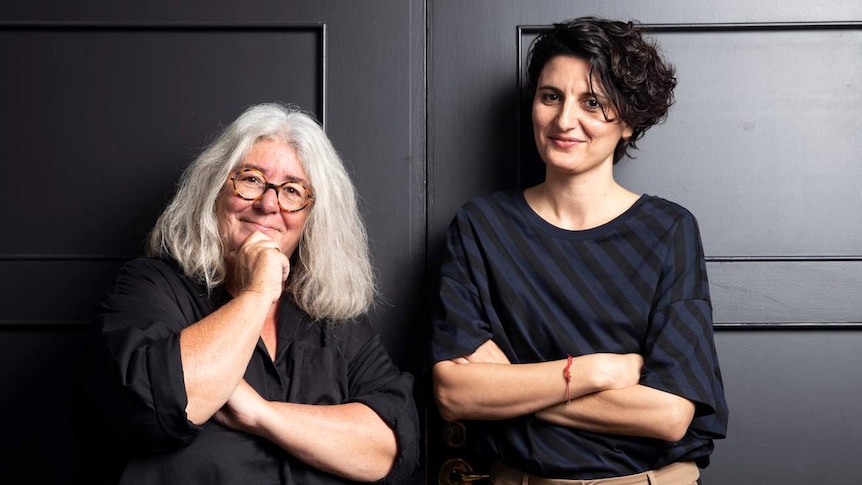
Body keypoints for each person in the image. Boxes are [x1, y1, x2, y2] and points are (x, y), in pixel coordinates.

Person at [430, 17, 728, 485]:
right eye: (551, 96)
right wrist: (599, 370)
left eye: (592, 102)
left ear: (628, 121)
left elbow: (668, 414)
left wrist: (514, 388)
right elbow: (454, 394)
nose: (564, 120)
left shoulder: (669, 230)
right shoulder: (481, 227)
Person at [80, 102, 420, 484]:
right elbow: (158, 406)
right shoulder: (153, 286)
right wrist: (259, 290)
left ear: (313, 217)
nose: (268, 204)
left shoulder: (335, 317)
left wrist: (259, 413)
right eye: (251, 179)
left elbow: (389, 446)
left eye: (292, 190)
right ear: (214, 187)